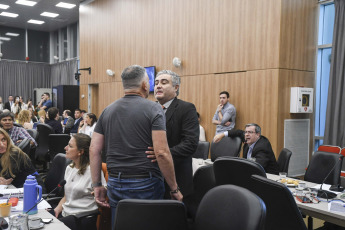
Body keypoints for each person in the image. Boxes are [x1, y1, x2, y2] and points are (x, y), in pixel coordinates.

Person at [90, 65, 182, 226]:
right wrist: (174, 189)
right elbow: (161, 152)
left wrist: (97, 185)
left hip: (115, 184)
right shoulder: (153, 108)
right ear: (145, 85)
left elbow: (94, 150)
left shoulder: (107, 110)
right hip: (146, 184)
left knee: (120, 225)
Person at [153, 70, 199, 198]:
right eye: (156, 83)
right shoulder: (150, 109)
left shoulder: (186, 108)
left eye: (164, 82)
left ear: (176, 87)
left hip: (177, 177)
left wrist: (161, 155)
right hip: (151, 179)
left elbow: (190, 144)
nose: (158, 86)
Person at [52, 133, 106, 230]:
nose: (65, 148)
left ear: (80, 152)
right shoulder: (69, 168)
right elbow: (66, 197)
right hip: (66, 214)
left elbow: (102, 198)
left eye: (70, 146)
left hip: (82, 218)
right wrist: (58, 208)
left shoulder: (94, 171)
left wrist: (99, 195)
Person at [213, 123, 279, 174]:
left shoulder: (262, 147)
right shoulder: (248, 137)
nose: (247, 134)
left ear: (258, 134)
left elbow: (257, 167)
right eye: (246, 132)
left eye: (250, 132)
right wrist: (222, 135)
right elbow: (238, 132)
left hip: (268, 178)